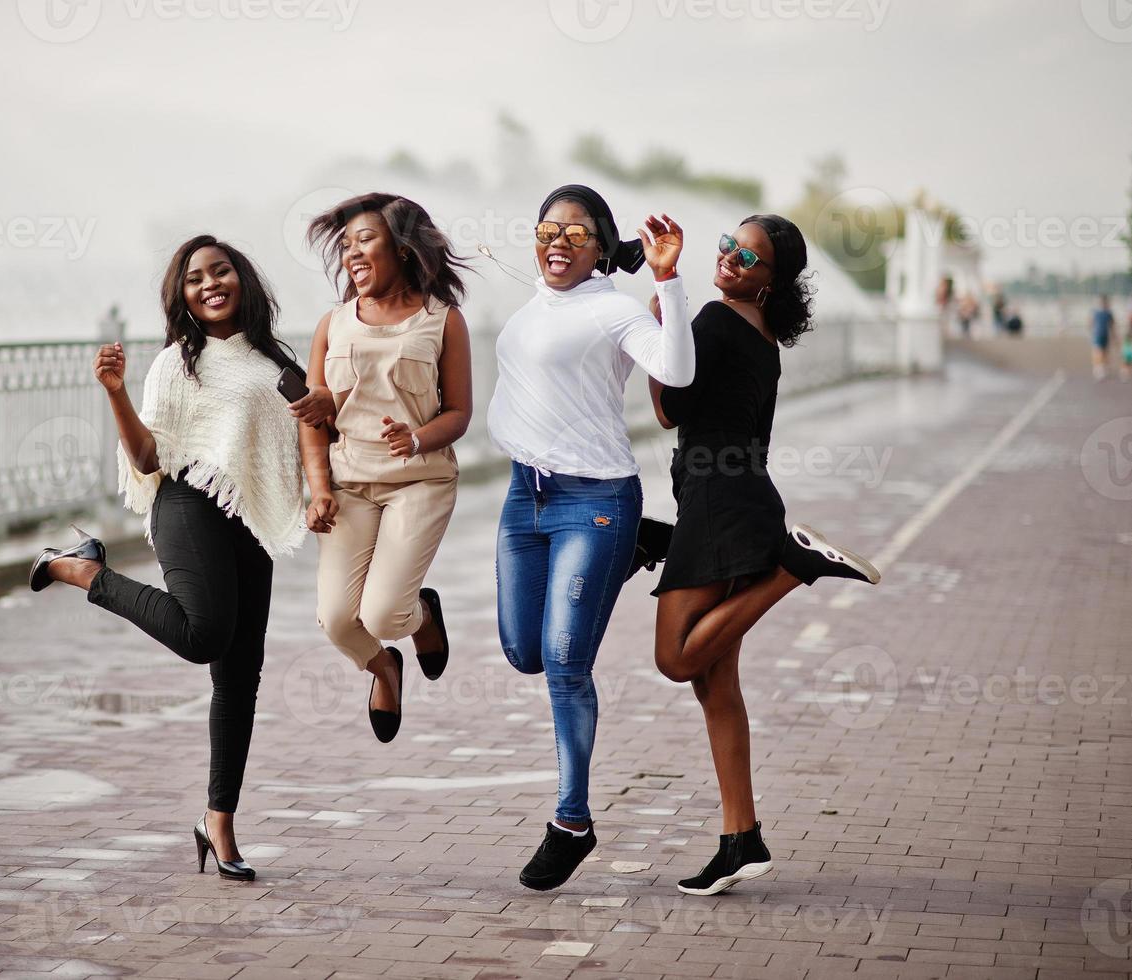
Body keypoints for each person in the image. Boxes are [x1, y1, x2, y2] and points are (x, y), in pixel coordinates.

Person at [28, 235, 309, 881]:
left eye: (221, 271)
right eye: (194, 279)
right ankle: (82, 569)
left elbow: (302, 441)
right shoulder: (175, 365)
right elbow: (149, 458)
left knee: (239, 679)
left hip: (248, 519)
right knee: (202, 635)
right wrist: (113, 391)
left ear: (242, 278)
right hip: (187, 504)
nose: (209, 284)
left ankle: (219, 824)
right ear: (180, 296)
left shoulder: (275, 363)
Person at [648, 216, 882, 897]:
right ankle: (740, 839)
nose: (728, 257)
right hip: (737, 497)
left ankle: (793, 566)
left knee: (674, 659)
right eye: (726, 244)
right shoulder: (760, 337)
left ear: (768, 277)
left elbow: (667, 409)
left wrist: (662, 311)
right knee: (715, 687)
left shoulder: (719, 324)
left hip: (723, 505)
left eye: (745, 255)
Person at [488, 183, 693, 891]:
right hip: (524, 499)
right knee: (522, 653)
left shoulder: (614, 308)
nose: (556, 241)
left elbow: (677, 369)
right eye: (546, 229)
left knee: (564, 663)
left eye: (575, 233)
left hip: (595, 500)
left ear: (601, 246)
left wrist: (665, 280)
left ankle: (571, 821)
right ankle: (635, 547)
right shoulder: (528, 308)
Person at [299, 192, 473, 743]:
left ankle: (420, 614)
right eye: (345, 244)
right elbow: (312, 417)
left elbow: (460, 413)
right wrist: (319, 489)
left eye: (364, 240)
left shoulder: (443, 321)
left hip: (420, 482)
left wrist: (417, 438)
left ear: (401, 247)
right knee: (336, 620)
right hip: (349, 485)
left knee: (383, 616)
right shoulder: (333, 323)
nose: (352, 252)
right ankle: (384, 668)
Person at [1092, 296, 1114, 381]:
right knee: (1098, 352)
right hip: (1097, 335)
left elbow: (1112, 325)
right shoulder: (1096, 312)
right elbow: (1091, 322)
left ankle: (1103, 368)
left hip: (1106, 335)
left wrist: (1114, 336)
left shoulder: (1109, 313)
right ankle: (1097, 369)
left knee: (1105, 352)